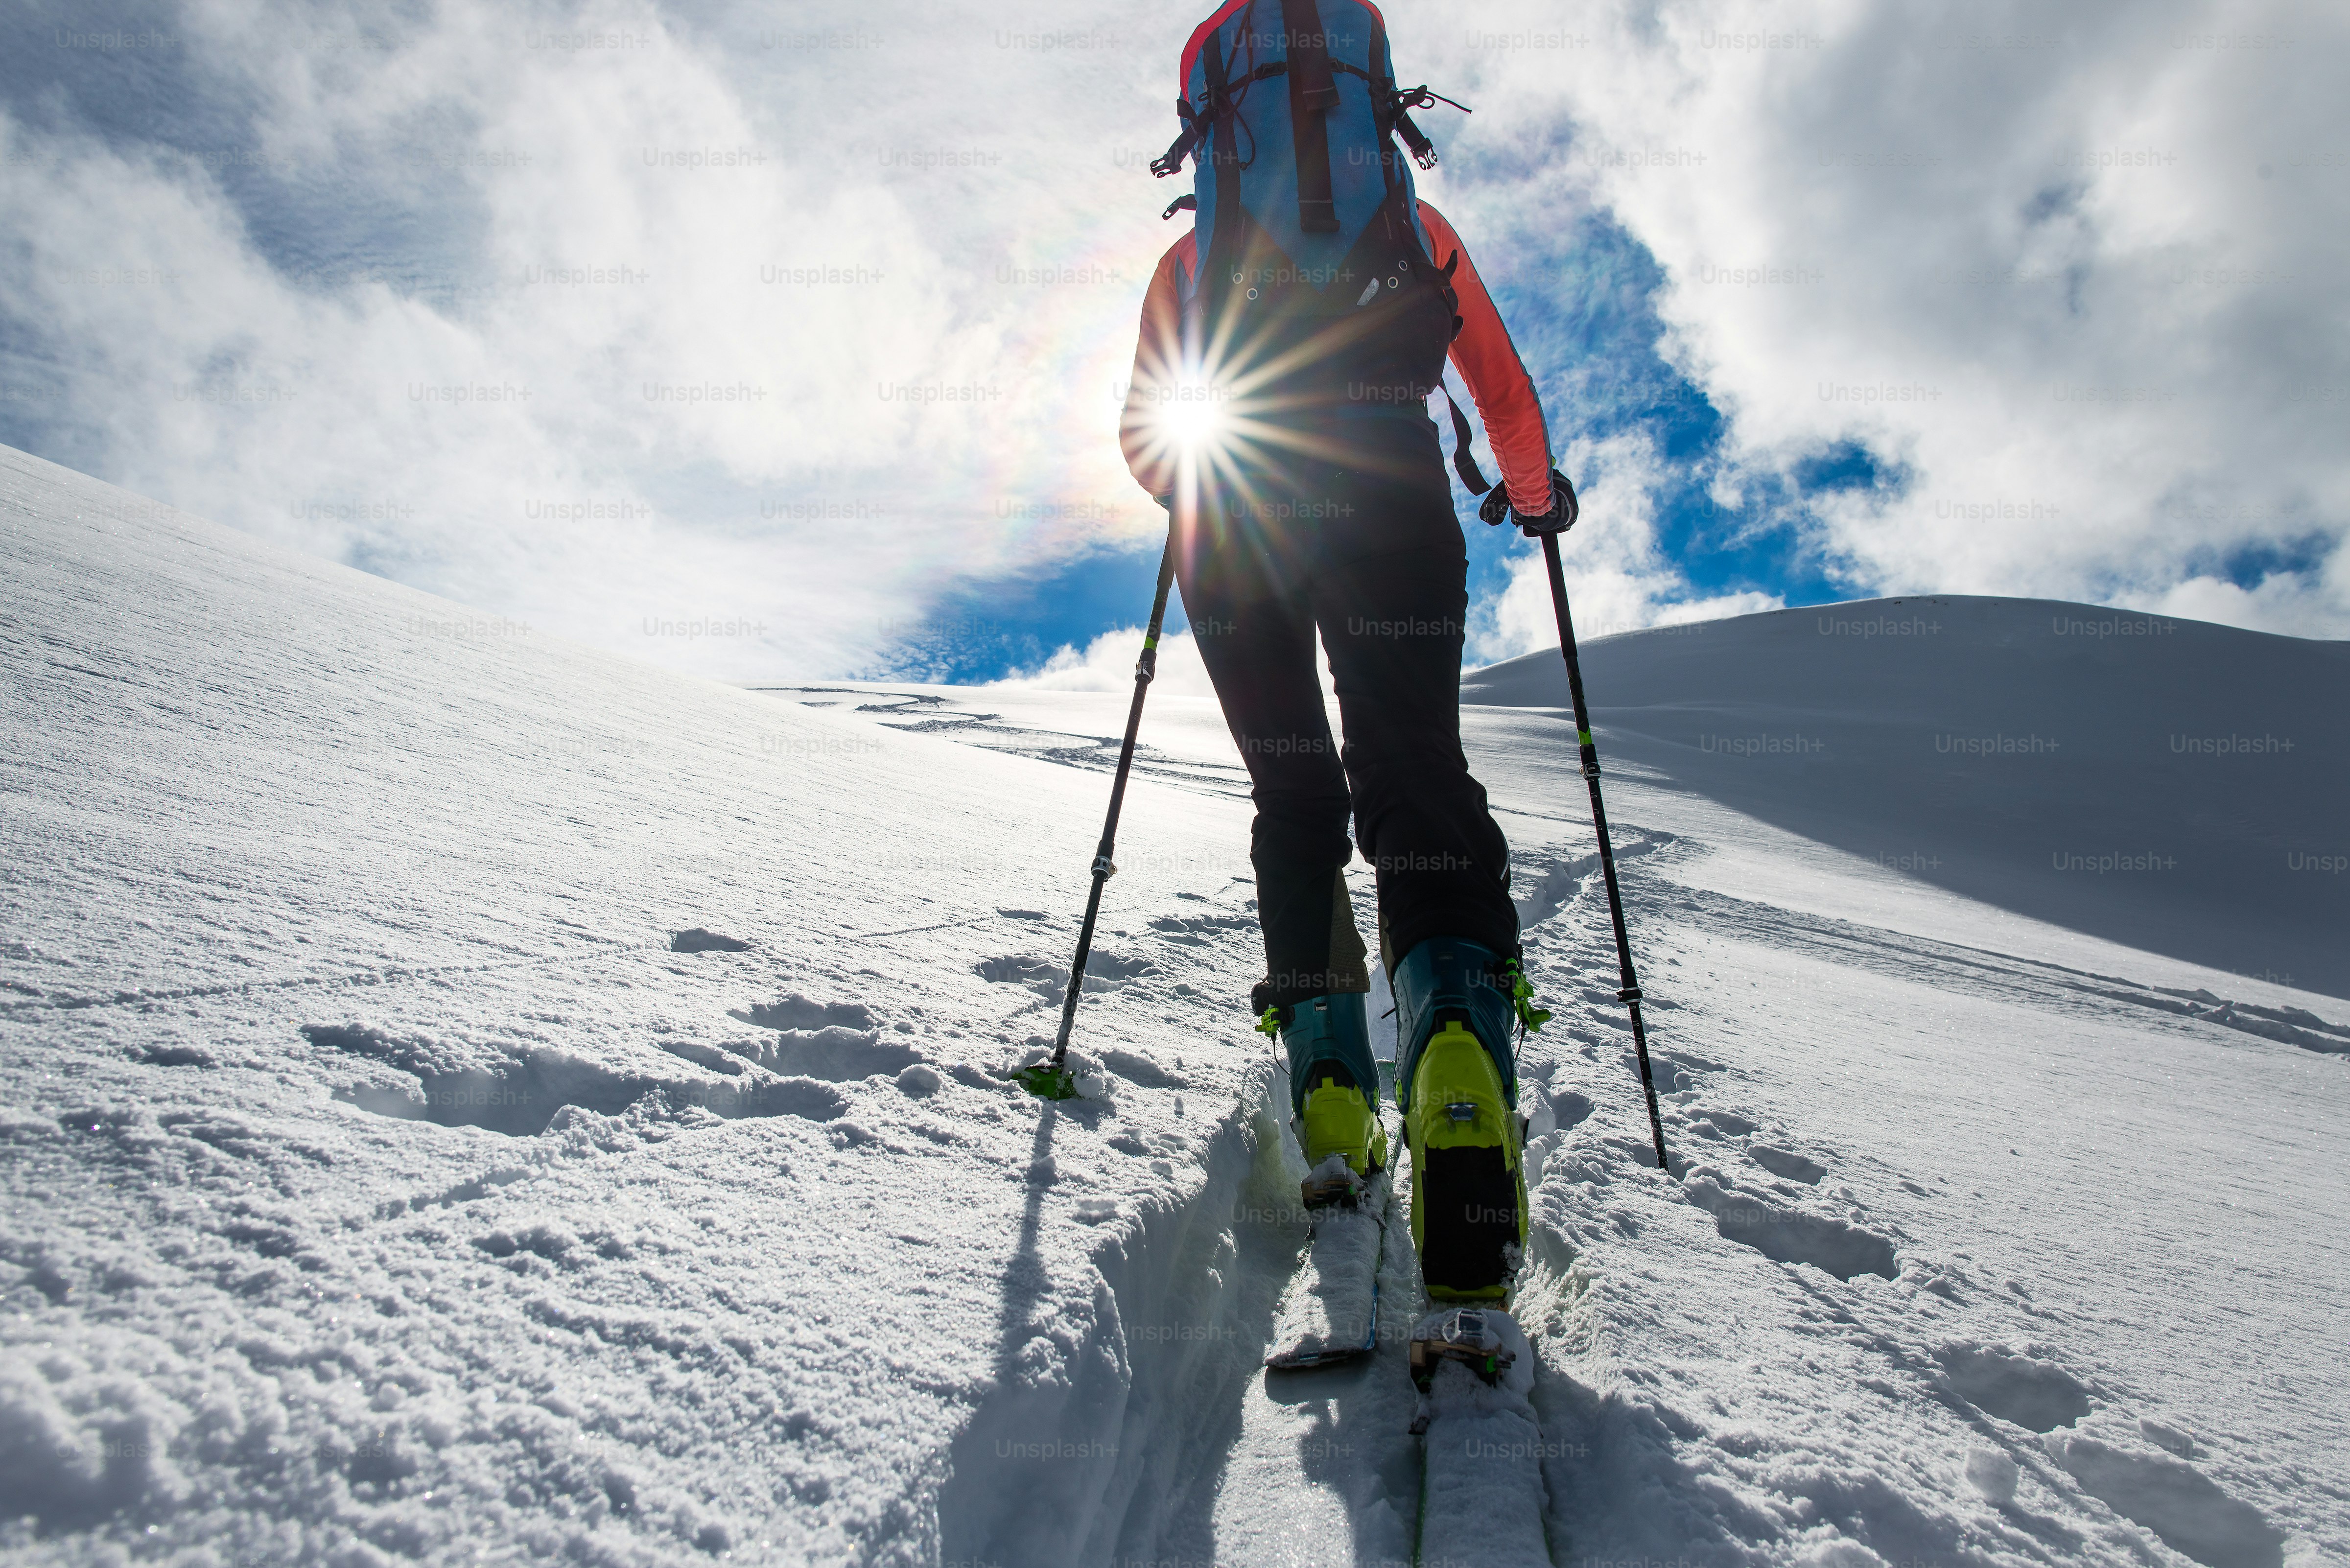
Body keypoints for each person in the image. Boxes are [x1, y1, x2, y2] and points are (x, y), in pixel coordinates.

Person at [1117, 133, 1570, 1301]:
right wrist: (1536, 499)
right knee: (1412, 768)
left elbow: (1144, 436)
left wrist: (1206, 487)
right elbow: (1503, 395)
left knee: (1295, 794)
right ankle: (1459, 1069)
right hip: (1391, 499)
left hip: (1235, 526)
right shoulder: (1410, 225)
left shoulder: (1195, 260)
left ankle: (1330, 1097)